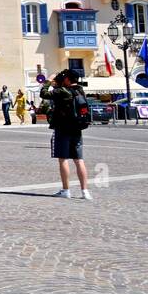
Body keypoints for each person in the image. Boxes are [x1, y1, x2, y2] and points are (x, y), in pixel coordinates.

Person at [46, 69, 92, 200]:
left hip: (63, 128)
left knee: (63, 159)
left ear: (67, 79)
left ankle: (66, 190)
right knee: (79, 160)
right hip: (77, 128)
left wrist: (49, 81)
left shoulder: (62, 91)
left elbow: (44, 93)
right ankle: (85, 191)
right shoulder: (80, 90)